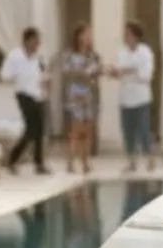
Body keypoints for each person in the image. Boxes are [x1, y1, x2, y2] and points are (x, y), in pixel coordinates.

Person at [59, 23, 103, 175]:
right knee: (76, 130)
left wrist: (91, 76)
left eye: (90, 35)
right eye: (86, 34)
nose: (88, 37)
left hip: (89, 95)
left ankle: (85, 161)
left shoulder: (93, 56)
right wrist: (81, 74)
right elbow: (67, 72)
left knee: (88, 130)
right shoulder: (70, 55)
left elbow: (95, 74)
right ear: (78, 36)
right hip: (75, 95)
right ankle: (70, 161)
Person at [113, 21, 157, 172]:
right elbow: (119, 72)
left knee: (144, 130)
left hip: (141, 98)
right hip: (125, 98)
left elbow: (146, 75)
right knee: (128, 131)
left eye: (128, 34)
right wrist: (122, 72)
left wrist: (128, 71)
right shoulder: (122, 52)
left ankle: (150, 157)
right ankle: (132, 161)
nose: (125, 37)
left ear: (135, 36)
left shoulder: (145, 52)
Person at [3, 27, 48, 175]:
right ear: (27, 41)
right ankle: (13, 158)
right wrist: (16, 75)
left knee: (39, 129)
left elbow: (42, 75)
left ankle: (39, 164)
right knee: (32, 128)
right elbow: (4, 75)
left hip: (38, 95)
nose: (37, 44)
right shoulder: (15, 56)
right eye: (35, 41)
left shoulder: (38, 58)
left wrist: (46, 84)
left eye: (38, 42)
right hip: (23, 94)